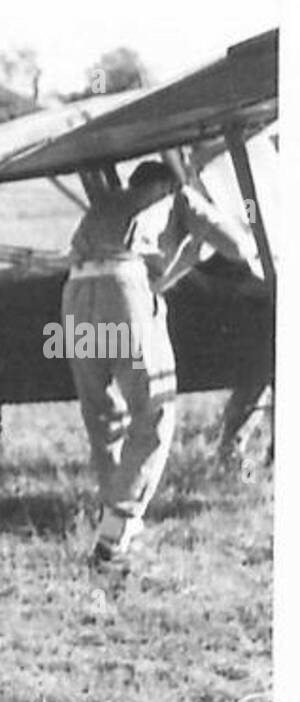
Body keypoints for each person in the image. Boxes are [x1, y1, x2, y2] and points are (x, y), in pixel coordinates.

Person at [63, 160, 248, 566]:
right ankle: (117, 532)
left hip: (75, 291)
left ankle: (111, 514)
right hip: (123, 290)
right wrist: (200, 238)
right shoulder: (176, 194)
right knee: (154, 411)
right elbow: (239, 247)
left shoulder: (110, 204)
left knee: (103, 412)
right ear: (166, 182)